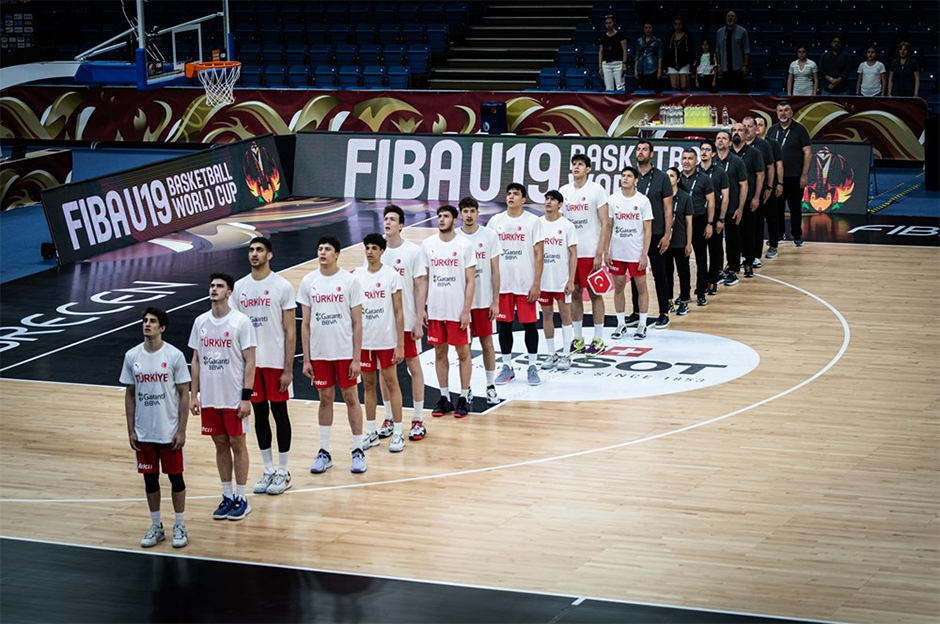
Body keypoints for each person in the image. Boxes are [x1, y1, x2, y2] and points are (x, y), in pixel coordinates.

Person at [230, 237, 295, 497]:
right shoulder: (239, 287)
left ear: (269, 255)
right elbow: (234, 328)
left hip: (275, 362)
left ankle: (284, 471)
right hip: (251, 365)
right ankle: (268, 469)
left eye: (259, 250)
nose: (254, 254)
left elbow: (290, 330)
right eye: (251, 250)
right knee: (259, 415)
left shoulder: (282, 286)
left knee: (280, 414)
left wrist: (288, 369)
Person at [189, 273, 257, 521]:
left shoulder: (241, 322)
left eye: (219, 286)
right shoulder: (200, 322)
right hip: (210, 397)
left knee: (237, 443)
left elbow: (251, 361)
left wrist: (246, 397)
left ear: (229, 293)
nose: (214, 289)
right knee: (219, 443)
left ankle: (242, 497)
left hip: (233, 396)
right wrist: (194, 395)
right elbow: (196, 360)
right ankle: (227, 495)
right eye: (212, 285)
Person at [121, 307, 191, 548]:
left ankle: (180, 525)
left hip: (169, 431)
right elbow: (130, 394)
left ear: (162, 328)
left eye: (152, 321)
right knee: (150, 481)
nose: (147, 324)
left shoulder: (174, 356)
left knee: (176, 479)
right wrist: (131, 429)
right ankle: (156, 526)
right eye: (145, 320)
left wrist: (182, 429)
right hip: (144, 432)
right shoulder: (132, 356)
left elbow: (184, 394)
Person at [297, 236, 367, 475]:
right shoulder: (308, 281)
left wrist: (356, 358)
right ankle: (324, 452)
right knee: (325, 398)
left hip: (345, 352)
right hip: (320, 353)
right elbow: (305, 324)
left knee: (351, 398)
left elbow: (357, 323)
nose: (322, 252)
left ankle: (358, 450)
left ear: (337, 254)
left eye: (327, 249)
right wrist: (307, 358)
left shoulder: (349, 281)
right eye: (320, 249)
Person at [416, 205, 476, 417]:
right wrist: (422, 308)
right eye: (439, 216)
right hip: (435, 310)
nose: (441, 219)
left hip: (456, 310)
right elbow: (423, 279)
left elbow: (471, 281)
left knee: (463, 353)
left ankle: (463, 397)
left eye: (446, 216)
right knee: (440, 353)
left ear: (455, 219)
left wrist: (466, 310)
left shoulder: (464, 245)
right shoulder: (428, 244)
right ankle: (444, 398)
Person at [488, 183, 545, 386]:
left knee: (530, 325)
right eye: (509, 193)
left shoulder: (533, 221)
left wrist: (536, 283)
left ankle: (532, 366)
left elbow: (540, 254)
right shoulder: (495, 221)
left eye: (516, 194)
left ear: (523, 199)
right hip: (503, 284)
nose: (511, 197)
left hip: (525, 283)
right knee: (504, 326)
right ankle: (506, 366)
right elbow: (489, 254)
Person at [379, 205, 428, 442]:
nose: (387, 222)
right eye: (385, 218)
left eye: (392, 219)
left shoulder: (412, 252)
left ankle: (418, 418)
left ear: (401, 225)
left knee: (413, 366)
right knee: (384, 371)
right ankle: (389, 417)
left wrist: (419, 318)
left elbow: (420, 285)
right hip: (381, 323)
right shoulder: (377, 251)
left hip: (406, 322)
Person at [357, 233, 406, 453]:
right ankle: (370, 431)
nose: (369, 252)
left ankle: (398, 432)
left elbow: (399, 311)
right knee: (368, 385)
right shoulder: (357, 276)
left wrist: (400, 344)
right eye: (367, 248)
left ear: (382, 251)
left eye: (374, 248)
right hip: (365, 342)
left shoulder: (391, 275)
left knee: (391, 383)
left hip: (386, 340)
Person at [559, 153, 611, 355]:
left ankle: (598, 339)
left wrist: (600, 252)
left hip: (590, 252)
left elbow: (605, 222)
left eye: (580, 164)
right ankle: (578, 338)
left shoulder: (597, 190)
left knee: (596, 294)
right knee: (575, 294)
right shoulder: (564, 191)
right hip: (571, 254)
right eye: (574, 164)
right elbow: (560, 223)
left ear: (588, 169)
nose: (576, 167)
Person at [456, 196, 502, 404]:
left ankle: (490, 386)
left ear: (477, 213)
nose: (469, 215)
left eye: (472, 211)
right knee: (464, 349)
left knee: (487, 344)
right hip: (462, 304)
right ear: (460, 214)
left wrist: (496, 301)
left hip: (483, 302)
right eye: (465, 211)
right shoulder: (454, 239)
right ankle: (466, 389)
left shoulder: (489, 236)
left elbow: (495, 270)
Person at [629, 140, 673, 329]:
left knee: (660, 274)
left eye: (644, 149)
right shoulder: (630, 175)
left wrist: (667, 234)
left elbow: (668, 208)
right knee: (634, 274)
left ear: (651, 154)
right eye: (638, 149)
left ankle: (664, 312)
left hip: (655, 233)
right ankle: (636, 312)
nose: (641, 152)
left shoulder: (662, 177)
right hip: (634, 233)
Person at [608, 166, 653, 340]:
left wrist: (644, 254)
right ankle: (621, 324)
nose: (625, 178)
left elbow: (648, 230)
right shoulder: (612, 200)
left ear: (636, 180)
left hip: (636, 252)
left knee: (641, 288)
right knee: (619, 287)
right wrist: (606, 250)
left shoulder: (643, 201)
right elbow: (608, 227)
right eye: (623, 175)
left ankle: (642, 324)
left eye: (629, 176)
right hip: (617, 252)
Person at [538, 189, 577, 369]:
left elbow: (573, 254)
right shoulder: (538, 224)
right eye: (546, 199)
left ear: (560, 204)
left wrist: (571, 280)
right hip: (543, 280)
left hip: (561, 279)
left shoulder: (567, 226)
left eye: (552, 199)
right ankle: (551, 353)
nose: (548, 202)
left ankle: (566, 355)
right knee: (546, 315)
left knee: (565, 315)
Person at [768, 101, 812, 247]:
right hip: (776, 178)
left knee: (795, 207)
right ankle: (779, 234)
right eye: (780, 110)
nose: (783, 113)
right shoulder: (772, 130)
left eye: (786, 110)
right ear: (776, 113)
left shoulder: (800, 130)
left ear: (791, 112)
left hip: (794, 176)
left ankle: (797, 235)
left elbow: (808, 153)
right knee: (777, 208)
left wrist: (804, 175)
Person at [678, 148, 716, 307]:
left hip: (699, 220)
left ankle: (701, 292)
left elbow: (711, 202)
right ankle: (684, 294)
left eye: (690, 158)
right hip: (681, 222)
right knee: (682, 260)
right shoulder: (677, 178)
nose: (686, 161)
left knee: (701, 258)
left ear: (696, 161)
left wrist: (710, 223)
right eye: (684, 158)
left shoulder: (704, 179)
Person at [730, 121, 765, 278]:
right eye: (734, 130)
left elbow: (760, 175)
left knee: (748, 232)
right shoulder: (727, 153)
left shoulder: (754, 153)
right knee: (732, 234)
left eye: (740, 130)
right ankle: (733, 261)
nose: (736, 133)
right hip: (731, 202)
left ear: (746, 134)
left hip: (749, 199)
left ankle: (749, 262)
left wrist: (756, 197)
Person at [714, 129, 748, 287]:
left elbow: (744, 185)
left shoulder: (737, 161)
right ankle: (718, 270)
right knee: (715, 241)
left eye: (724, 138)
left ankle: (733, 270)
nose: (720, 140)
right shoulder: (712, 161)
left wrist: (740, 207)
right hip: (716, 208)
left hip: (732, 207)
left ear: (729, 142)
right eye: (718, 138)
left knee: (733, 240)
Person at [696, 139, 728, 296]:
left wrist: (721, 219)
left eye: (707, 149)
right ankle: (701, 283)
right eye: (702, 149)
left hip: (714, 214)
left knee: (714, 249)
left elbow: (726, 196)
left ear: (713, 153)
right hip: (699, 215)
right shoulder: (695, 171)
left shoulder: (720, 172)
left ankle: (713, 281)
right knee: (700, 252)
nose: (704, 152)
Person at [743, 116, 775, 266]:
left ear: (756, 129)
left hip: (757, 192)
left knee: (757, 224)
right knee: (741, 226)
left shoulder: (763, 145)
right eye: (744, 126)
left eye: (750, 126)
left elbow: (770, 167)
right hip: (740, 194)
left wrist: (769, 187)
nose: (747, 129)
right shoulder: (737, 146)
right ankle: (743, 254)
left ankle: (756, 255)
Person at [664, 168, 693, 316]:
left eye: (672, 176)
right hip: (666, 242)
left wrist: (688, 243)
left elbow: (689, 222)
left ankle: (684, 301)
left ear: (678, 179)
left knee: (683, 272)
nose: (668, 178)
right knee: (667, 272)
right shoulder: (662, 196)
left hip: (680, 241)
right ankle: (668, 301)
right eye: (667, 176)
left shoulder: (685, 197)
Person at [756, 117, 785, 258]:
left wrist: (779, 183)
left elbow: (778, 165)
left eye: (760, 125)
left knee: (772, 217)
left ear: (765, 128)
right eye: (755, 125)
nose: (757, 127)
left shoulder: (772, 143)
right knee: (755, 221)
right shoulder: (748, 144)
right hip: (754, 189)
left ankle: (773, 245)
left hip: (769, 187)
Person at [715, 10, 750, 93]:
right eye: (728, 16)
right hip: (725, 68)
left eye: (732, 16)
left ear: (736, 19)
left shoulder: (743, 32)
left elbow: (746, 50)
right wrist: (718, 65)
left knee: (741, 92)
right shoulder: (719, 32)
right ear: (725, 18)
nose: (730, 18)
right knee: (726, 93)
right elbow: (717, 50)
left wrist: (745, 65)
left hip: (739, 68)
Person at [598, 14, 627, 91]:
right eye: (606, 23)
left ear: (614, 23)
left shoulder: (620, 35)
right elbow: (601, 52)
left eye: (610, 23)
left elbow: (624, 50)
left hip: (618, 63)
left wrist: (624, 64)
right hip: (606, 64)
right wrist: (600, 67)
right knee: (609, 88)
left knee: (620, 86)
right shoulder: (603, 36)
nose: (608, 25)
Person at [666, 17, 694, 93]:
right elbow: (666, 51)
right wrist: (665, 65)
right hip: (672, 64)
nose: (677, 26)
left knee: (684, 85)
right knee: (674, 86)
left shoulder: (687, 36)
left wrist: (691, 63)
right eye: (675, 24)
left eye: (679, 24)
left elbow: (692, 51)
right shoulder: (670, 36)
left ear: (683, 25)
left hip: (684, 63)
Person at [634, 22, 663, 92]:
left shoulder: (657, 41)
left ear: (652, 29)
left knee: (653, 90)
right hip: (641, 69)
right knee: (643, 90)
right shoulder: (639, 41)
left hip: (653, 68)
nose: (648, 29)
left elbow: (660, 57)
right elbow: (637, 56)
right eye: (646, 28)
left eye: (649, 27)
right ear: (643, 29)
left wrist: (659, 71)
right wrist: (635, 70)